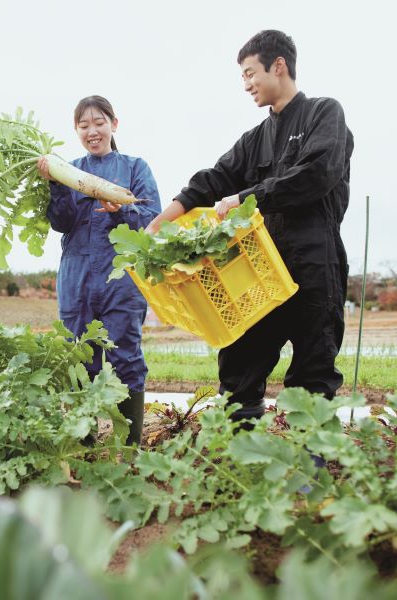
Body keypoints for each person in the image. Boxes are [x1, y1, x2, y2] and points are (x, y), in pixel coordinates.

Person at [146, 30, 354, 425]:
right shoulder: (256, 137)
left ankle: (308, 470)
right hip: (258, 270)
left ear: (278, 66)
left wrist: (245, 198)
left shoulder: (324, 113)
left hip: (313, 263)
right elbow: (213, 178)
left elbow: (317, 173)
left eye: (249, 74)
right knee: (240, 362)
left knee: (314, 369)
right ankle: (239, 461)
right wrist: (160, 222)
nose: (246, 85)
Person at [38, 95, 162, 445]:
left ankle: (129, 447)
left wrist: (121, 211)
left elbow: (151, 218)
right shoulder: (70, 169)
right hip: (76, 277)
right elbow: (61, 223)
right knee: (79, 359)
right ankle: (84, 445)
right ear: (76, 131)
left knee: (127, 358)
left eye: (98, 122)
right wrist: (54, 184)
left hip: (121, 278)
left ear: (113, 124)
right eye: (83, 125)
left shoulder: (135, 167)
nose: (92, 131)